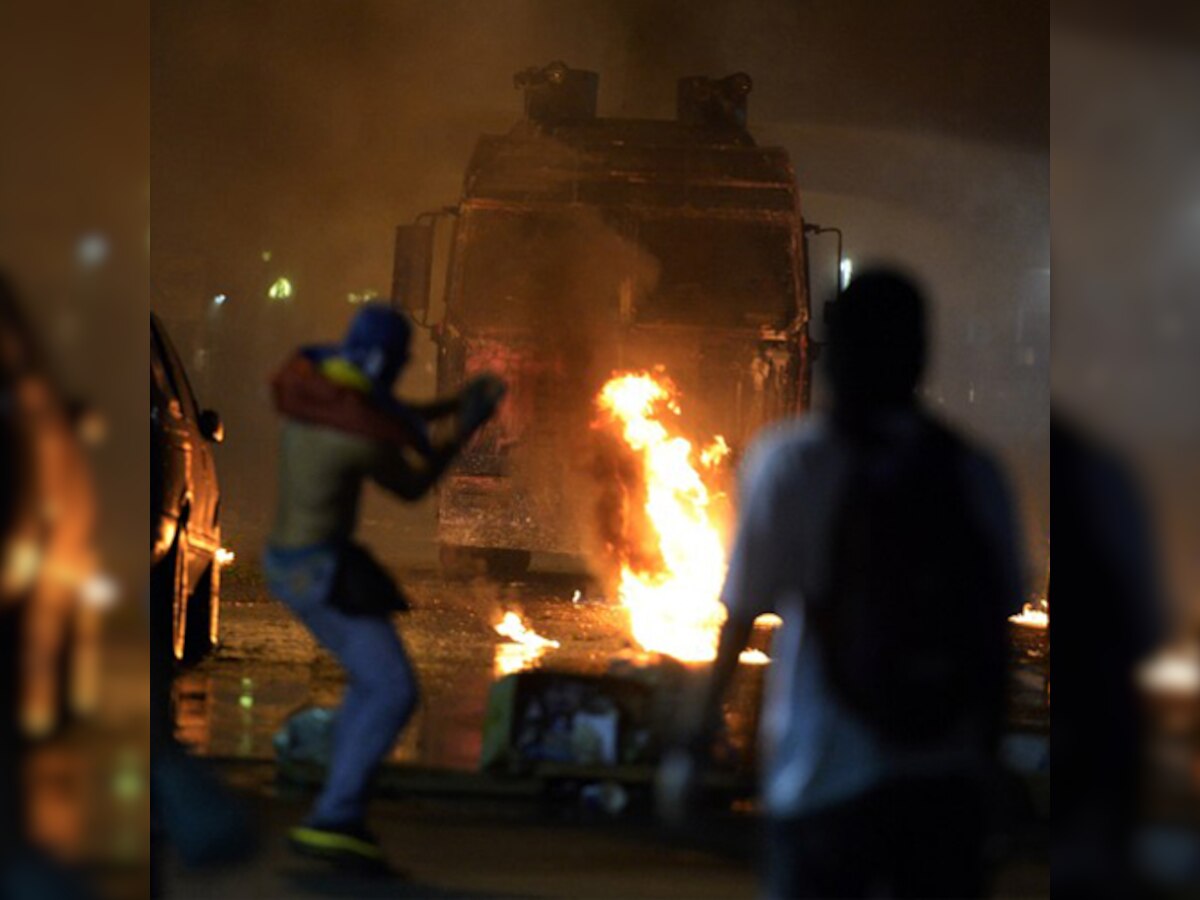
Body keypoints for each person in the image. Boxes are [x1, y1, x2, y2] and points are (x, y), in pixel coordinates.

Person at [660, 268, 1024, 898]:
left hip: (822, 778)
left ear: (837, 354)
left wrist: (693, 744)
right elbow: (993, 638)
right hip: (942, 787)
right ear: (921, 355)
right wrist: (987, 766)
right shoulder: (973, 472)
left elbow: (742, 614)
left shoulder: (794, 461)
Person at [264, 303, 503, 869]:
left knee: (374, 686)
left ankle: (338, 804)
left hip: (299, 560)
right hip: (315, 569)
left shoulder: (322, 389)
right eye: (399, 362)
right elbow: (415, 484)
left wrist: (452, 404)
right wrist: (467, 426)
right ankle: (335, 813)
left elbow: (389, 411)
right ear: (386, 361)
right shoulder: (355, 435)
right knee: (392, 689)